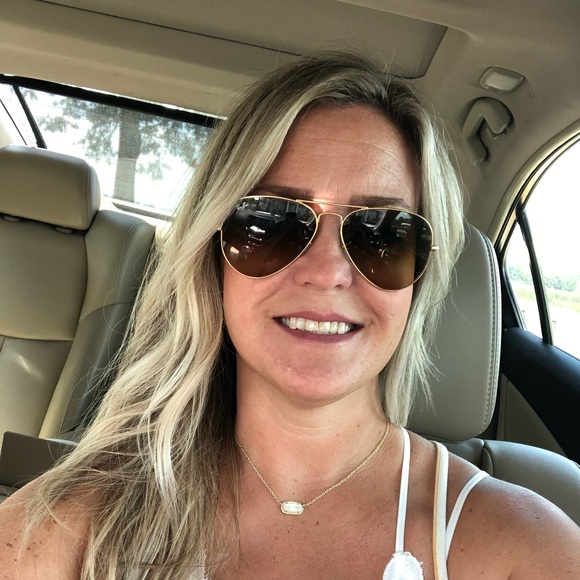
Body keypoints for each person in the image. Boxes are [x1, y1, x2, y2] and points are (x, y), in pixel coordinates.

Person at [1, 51, 579, 580]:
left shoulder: (524, 549)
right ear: (212, 257)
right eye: (270, 222)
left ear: (418, 279)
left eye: (382, 233)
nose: (326, 272)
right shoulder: (72, 524)